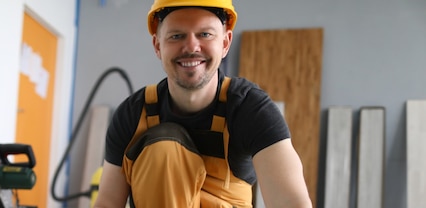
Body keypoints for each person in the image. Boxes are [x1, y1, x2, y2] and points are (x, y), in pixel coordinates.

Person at [93, 0, 312, 207]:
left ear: (225, 43)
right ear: (157, 45)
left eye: (205, 34)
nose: (191, 46)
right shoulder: (132, 115)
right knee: (163, 149)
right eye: (176, 36)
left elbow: (291, 203)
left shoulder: (250, 109)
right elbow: (107, 203)